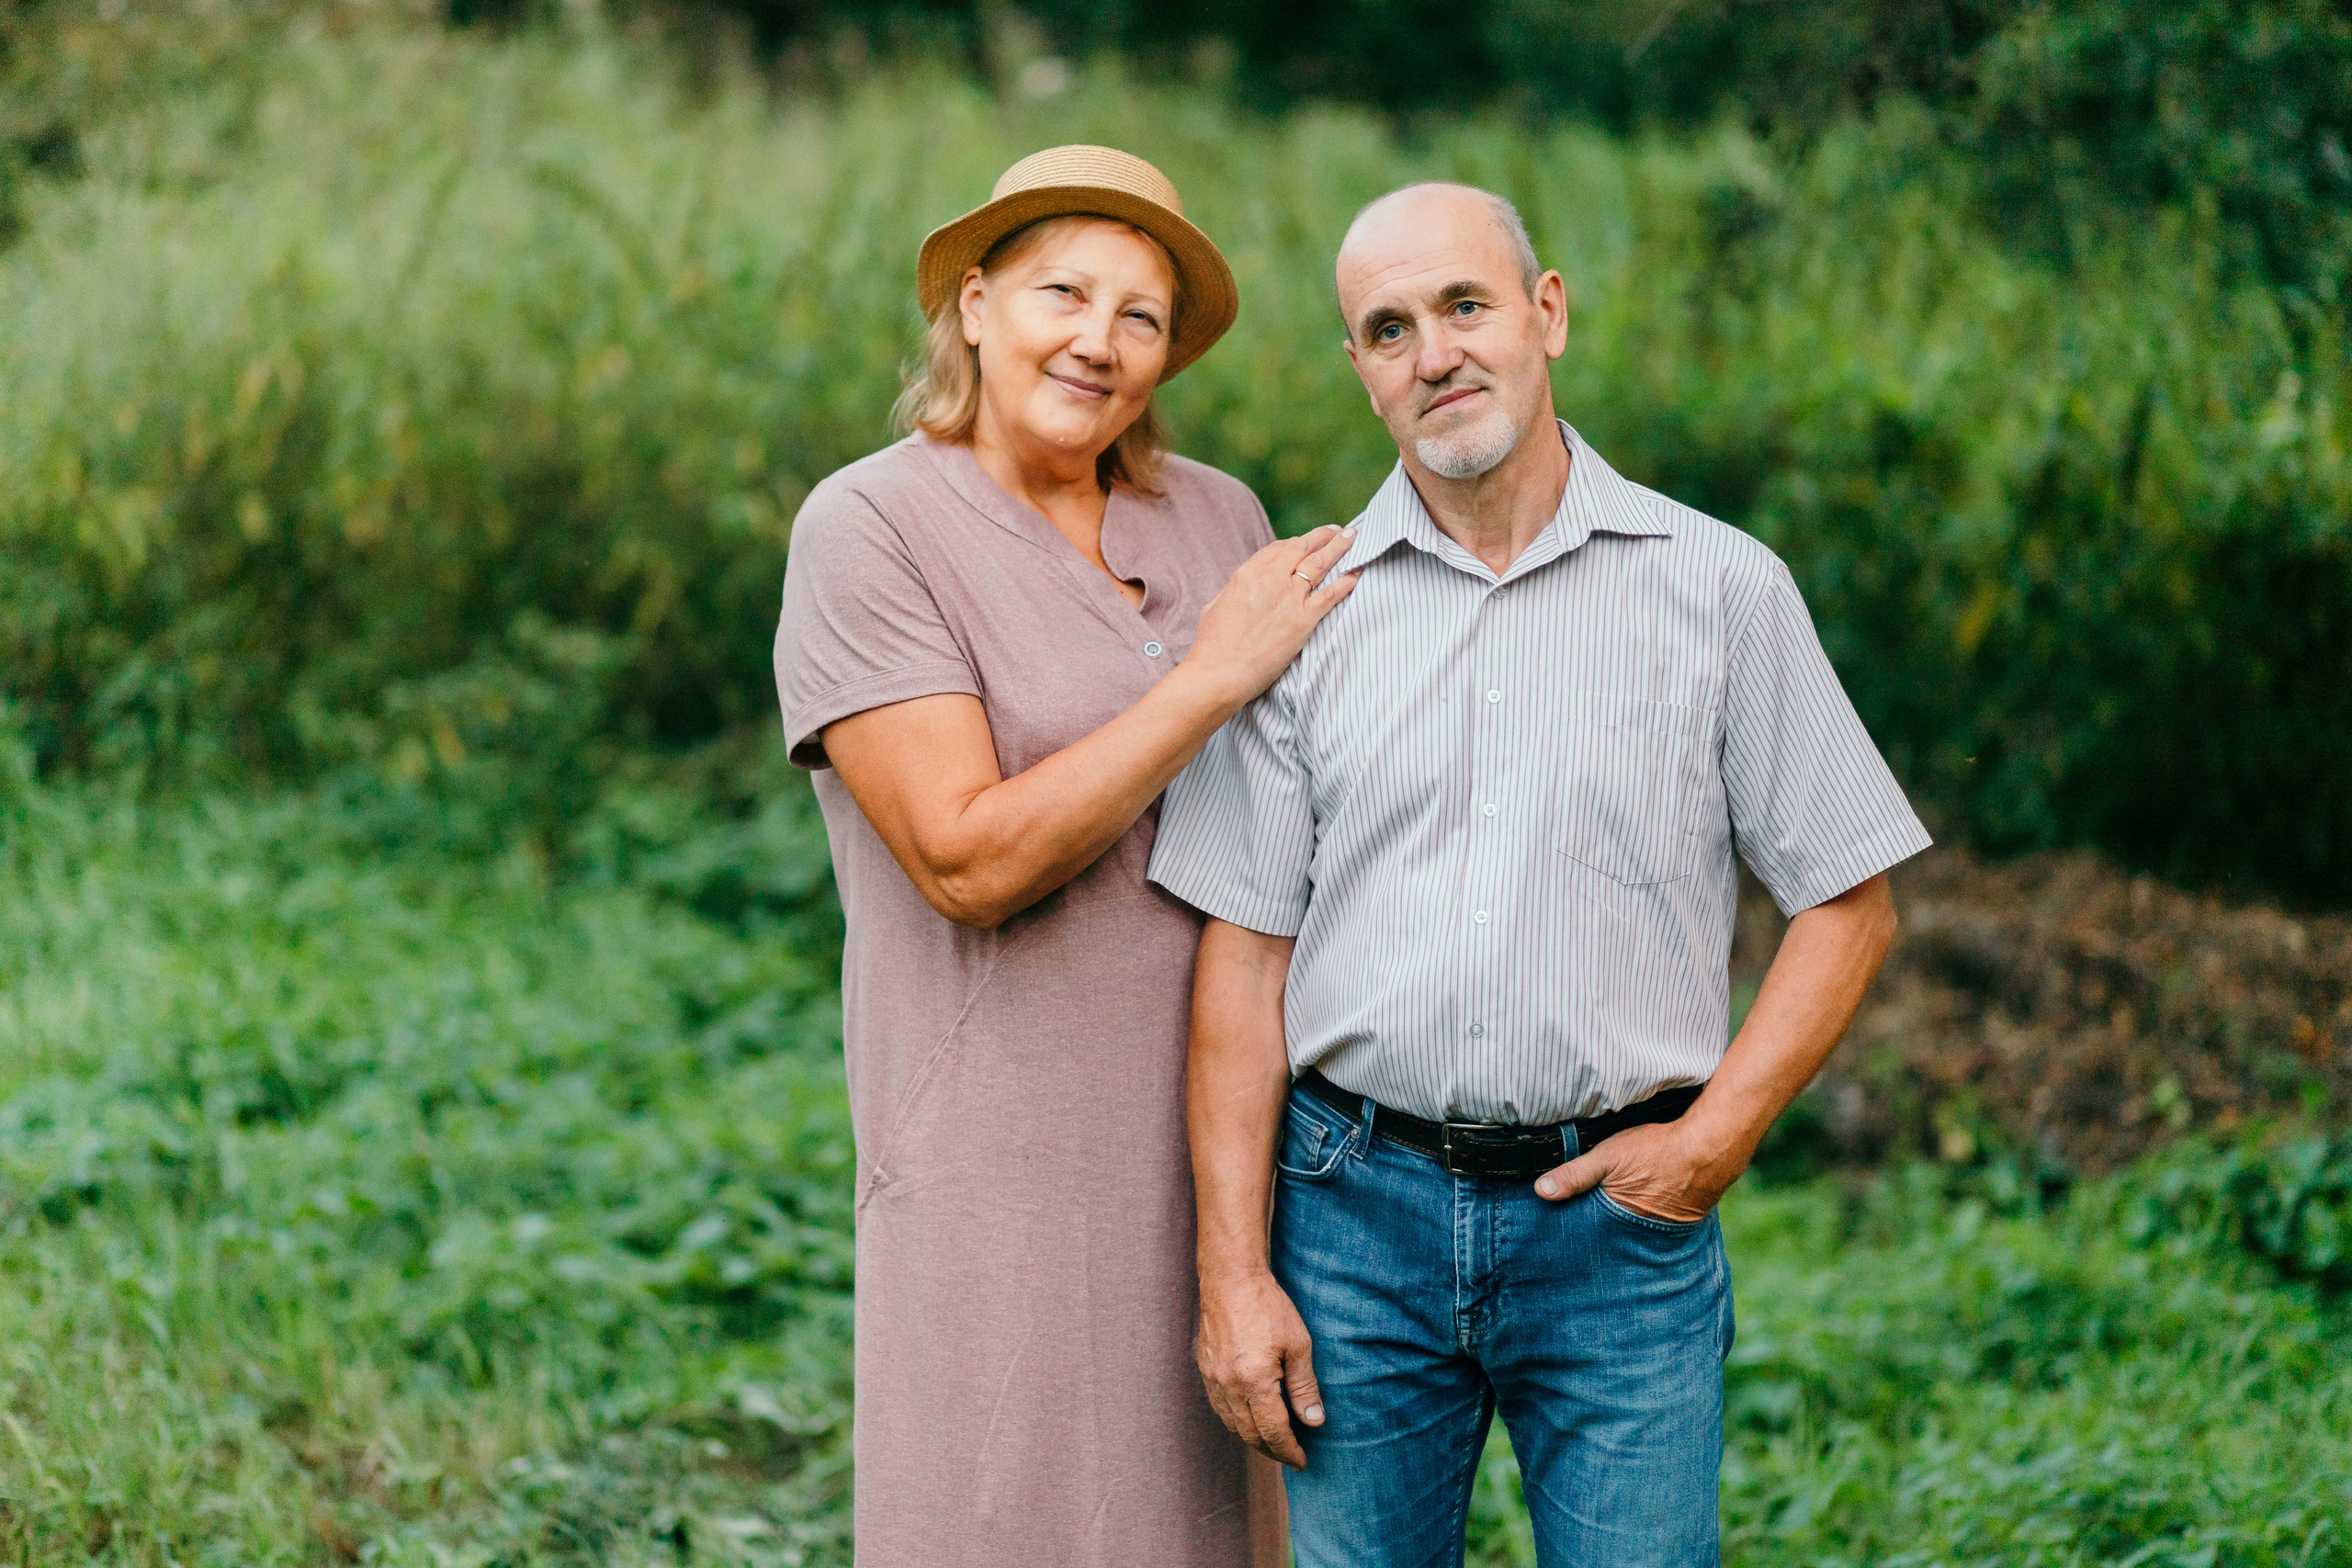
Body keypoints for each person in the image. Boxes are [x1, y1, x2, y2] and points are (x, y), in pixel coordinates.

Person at [1148, 182, 1932, 1566]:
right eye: (1389, 330)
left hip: (1617, 1240)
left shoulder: (1720, 588)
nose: (1435, 352)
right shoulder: (1304, 615)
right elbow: (1245, 959)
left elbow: (1848, 903)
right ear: (1360, 374)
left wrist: (1712, 1145)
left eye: (1465, 305)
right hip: (1351, 1221)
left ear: (1546, 312)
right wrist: (1233, 1273)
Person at [771, 145, 1357, 1567]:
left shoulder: (1212, 517)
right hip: (1004, 1156)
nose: (1098, 341)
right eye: (1062, 293)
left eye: (1141, 316)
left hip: (1231, 1148)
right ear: (974, 304)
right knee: (1008, 1517)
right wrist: (1207, 680)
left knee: (1211, 1527)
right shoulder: (871, 529)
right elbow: (964, 860)